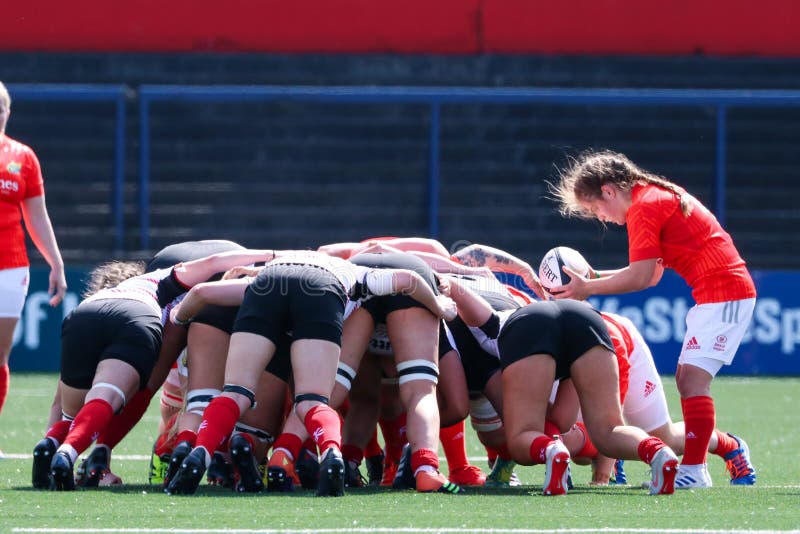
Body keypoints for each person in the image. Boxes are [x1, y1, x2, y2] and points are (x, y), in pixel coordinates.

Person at [165, 250, 458, 497]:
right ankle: (332, 453)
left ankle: (200, 453)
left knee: (236, 392)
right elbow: (408, 279)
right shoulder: (354, 272)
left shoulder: (268, 272)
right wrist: (439, 305)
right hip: (323, 289)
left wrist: (179, 318)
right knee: (312, 401)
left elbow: (201, 292)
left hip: (267, 285)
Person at [549, 150, 757, 488]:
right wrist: (593, 278)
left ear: (609, 191)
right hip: (716, 293)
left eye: (595, 209)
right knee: (688, 378)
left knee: (691, 381)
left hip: (726, 292)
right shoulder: (650, 197)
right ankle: (699, 465)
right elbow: (653, 274)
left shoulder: (645, 207)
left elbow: (641, 278)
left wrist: (589, 286)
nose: (602, 217)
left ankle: (694, 471)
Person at [32, 248, 274, 490]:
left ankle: (58, 446)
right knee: (214, 396)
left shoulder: (106, 294)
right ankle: (258, 456)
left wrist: (50, 435)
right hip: (193, 295)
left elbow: (58, 400)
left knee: (76, 414)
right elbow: (209, 270)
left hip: (87, 316)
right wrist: (277, 255)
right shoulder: (160, 281)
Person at [442, 277, 680, 496]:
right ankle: (658, 452)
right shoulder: (505, 302)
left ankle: (551, 452)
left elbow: (463, 296)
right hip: (587, 318)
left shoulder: (477, 333)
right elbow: (559, 421)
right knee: (607, 431)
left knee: (520, 439)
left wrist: (447, 285)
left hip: (529, 328)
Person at [0, 81, 67, 449]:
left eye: (0, 107)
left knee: (0, 356)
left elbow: (36, 217)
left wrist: (55, 263)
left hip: (10, 267)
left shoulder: (23, 157)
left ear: (8, 113)